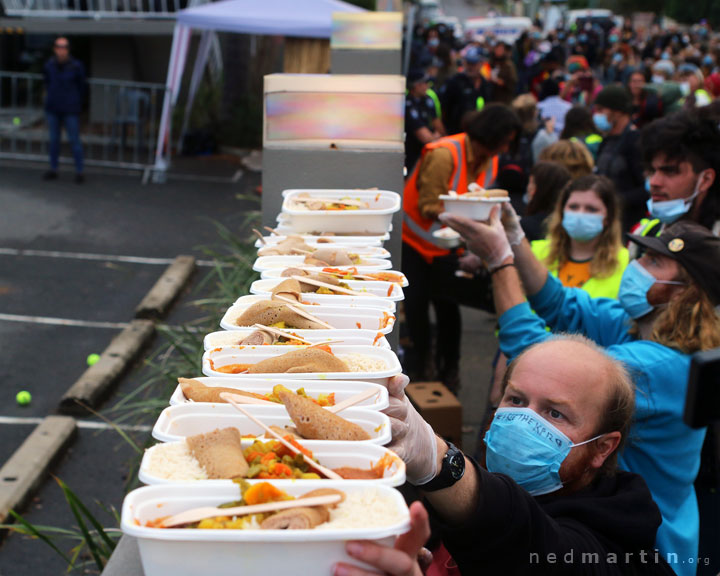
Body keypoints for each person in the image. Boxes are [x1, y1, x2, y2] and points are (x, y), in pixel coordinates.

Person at [441, 211, 720, 576]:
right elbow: (561, 303)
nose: (636, 266)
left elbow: (533, 354)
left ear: (687, 292)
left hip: (643, 548)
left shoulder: (661, 367)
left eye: (654, 262)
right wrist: (514, 238)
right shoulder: (639, 325)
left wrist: (499, 262)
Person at [344, 339, 675, 575]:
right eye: (516, 400)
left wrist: (439, 461)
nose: (524, 421)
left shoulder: (620, 547)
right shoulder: (438, 502)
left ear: (603, 447)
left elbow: (539, 546)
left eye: (555, 413)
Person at [401, 104, 520, 389]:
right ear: (492, 136)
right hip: (416, 245)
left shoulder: (490, 159)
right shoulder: (444, 154)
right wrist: (468, 212)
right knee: (416, 308)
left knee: (448, 311)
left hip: (449, 246)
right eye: (505, 140)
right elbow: (427, 205)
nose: (506, 148)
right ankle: (420, 372)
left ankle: (448, 373)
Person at [632, 110, 720, 247]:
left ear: (705, 180)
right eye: (652, 171)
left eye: (670, 171)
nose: (654, 182)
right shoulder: (644, 236)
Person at [531, 174, 629, 298]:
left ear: (608, 218)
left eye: (591, 209)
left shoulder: (625, 262)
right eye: (573, 207)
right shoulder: (537, 252)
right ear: (562, 212)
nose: (580, 215)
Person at [593, 85, 645, 233]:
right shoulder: (607, 140)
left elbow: (646, 189)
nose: (597, 115)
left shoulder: (635, 141)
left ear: (617, 112)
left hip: (628, 223)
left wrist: (617, 200)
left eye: (601, 110)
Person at [43, 36, 86, 183]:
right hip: (53, 108)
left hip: (70, 109)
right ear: (55, 49)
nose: (62, 50)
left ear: (68, 49)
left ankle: (79, 171)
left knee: (75, 140)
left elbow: (82, 86)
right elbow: (47, 83)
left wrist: (76, 102)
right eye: (59, 47)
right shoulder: (49, 65)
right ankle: (53, 168)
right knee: (54, 140)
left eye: (64, 47)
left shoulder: (76, 66)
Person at [439, 46, 490, 135]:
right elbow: (444, 108)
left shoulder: (485, 83)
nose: (470, 67)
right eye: (468, 63)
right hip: (456, 131)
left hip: (478, 131)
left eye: (474, 64)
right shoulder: (454, 82)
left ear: (481, 63)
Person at [521, 161, 572, 242]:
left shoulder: (524, 227)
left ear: (535, 189)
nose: (528, 188)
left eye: (531, 182)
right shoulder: (569, 224)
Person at [404, 70, 444, 174]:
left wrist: (440, 138)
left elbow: (438, 125)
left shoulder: (428, 99)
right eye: (425, 83)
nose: (427, 86)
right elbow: (425, 138)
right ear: (416, 86)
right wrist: (436, 137)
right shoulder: (408, 104)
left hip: (430, 151)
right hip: (414, 153)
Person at [488, 41, 518, 105]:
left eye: (501, 49)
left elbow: (513, 81)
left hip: (504, 98)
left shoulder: (509, 65)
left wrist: (502, 82)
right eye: (497, 49)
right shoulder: (490, 62)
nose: (498, 51)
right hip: (491, 97)